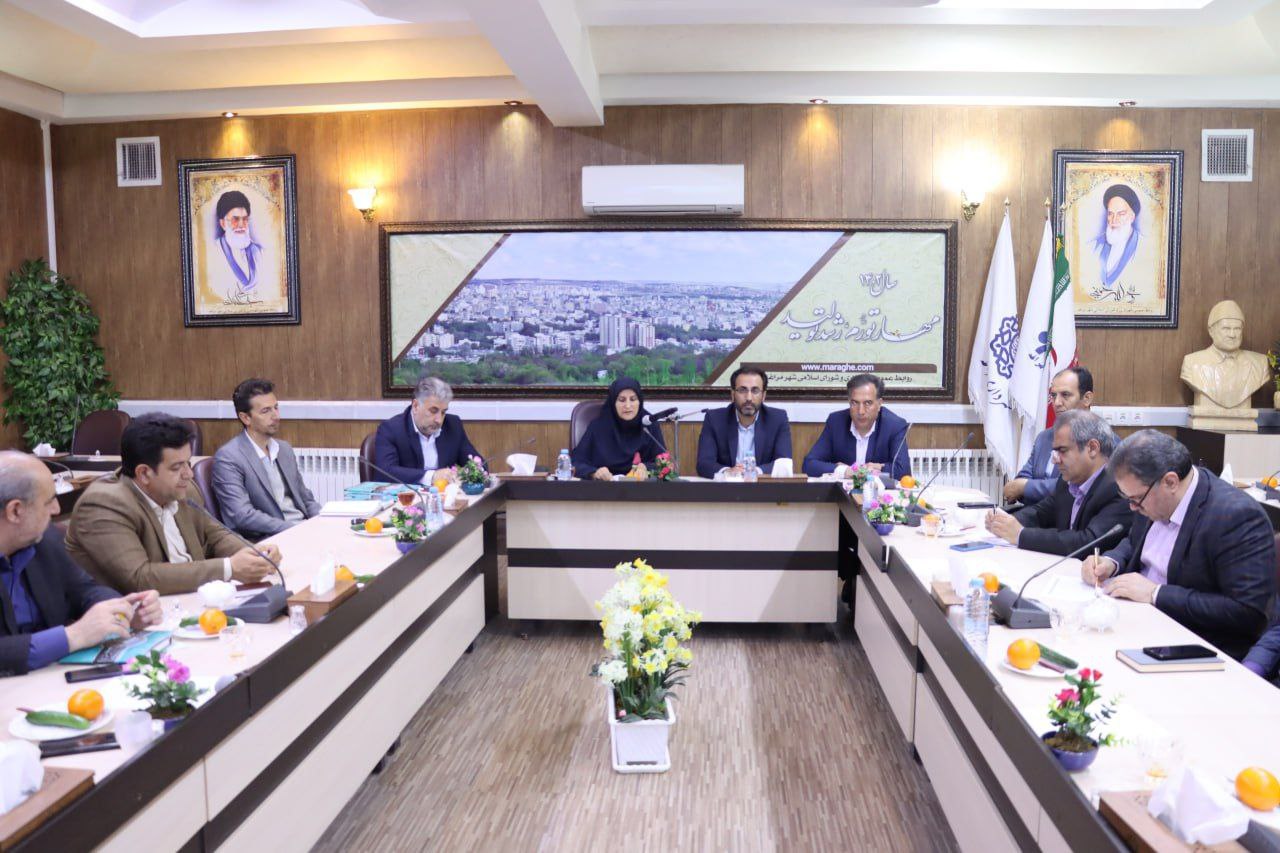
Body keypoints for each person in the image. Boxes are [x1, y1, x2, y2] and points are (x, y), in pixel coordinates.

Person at [1080, 430, 1275, 660]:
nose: (1133, 507)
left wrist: (1156, 594)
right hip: (1136, 620)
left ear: (1170, 482)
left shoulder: (1235, 516)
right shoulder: (1152, 495)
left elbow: (1247, 612)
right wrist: (1111, 562)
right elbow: (1134, 542)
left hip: (1191, 645)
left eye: (1136, 499)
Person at [66, 413, 281, 595]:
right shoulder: (104, 505)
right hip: (134, 619)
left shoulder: (184, 490)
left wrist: (256, 554)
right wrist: (229, 568)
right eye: (177, 467)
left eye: (188, 463)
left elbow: (216, 536)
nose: (189, 474)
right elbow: (140, 578)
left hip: (191, 603)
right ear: (144, 473)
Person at [0, 452, 161, 677]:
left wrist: (121, 612)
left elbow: (84, 589)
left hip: (50, 677)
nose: (57, 509)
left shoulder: (43, 540)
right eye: (49, 501)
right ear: (15, 511)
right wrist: (73, 636)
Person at [985, 410, 1131, 556]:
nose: (1055, 460)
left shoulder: (1120, 487)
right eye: (1055, 452)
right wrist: (1004, 522)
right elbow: (1040, 513)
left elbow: (1088, 542)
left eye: (1062, 451)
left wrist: (1020, 535)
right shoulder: (1069, 480)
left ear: (1092, 448)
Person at [212, 378, 322, 540]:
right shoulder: (229, 458)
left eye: (276, 408)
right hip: (269, 539)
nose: (275, 416)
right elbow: (242, 515)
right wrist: (294, 530)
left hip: (301, 530)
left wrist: (322, 521)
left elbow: (306, 498)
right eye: (266, 411)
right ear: (245, 418)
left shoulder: (284, 449)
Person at [1004, 366, 1095, 505]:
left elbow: (1074, 487)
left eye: (1065, 395)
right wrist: (1023, 488)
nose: (1056, 403)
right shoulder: (1044, 437)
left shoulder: (1099, 441)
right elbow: (1021, 479)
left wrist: (1026, 488)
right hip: (1034, 512)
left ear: (1087, 398)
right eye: (1053, 395)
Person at [374, 376, 482, 485]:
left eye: (443, 412)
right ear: (416, 406)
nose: (439, 420)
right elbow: (385, 473)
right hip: (410, 495)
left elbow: (479, 465)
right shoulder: (391, 429)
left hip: (446, 494)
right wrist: (432, 476)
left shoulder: (453, 425)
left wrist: (463, 474)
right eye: (433, 411)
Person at [802, 373, 912, 480]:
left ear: (879, 404)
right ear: (849, 402)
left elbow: (903, 472)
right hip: (842, 492)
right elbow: (809, 464)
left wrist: (878, 468)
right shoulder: (836, 422)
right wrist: (844, 471)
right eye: (855, 403)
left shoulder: (894, 426)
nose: (861, 411)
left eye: (868, 403)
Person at [696, 367, 792, 478]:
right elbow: (704, 463)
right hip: (727, 486)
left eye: (755, 391)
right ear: (732, 394)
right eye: (742, 390)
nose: (749, 398)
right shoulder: (714, 419)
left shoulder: (777, 419)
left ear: (763, 396)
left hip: (762, 486)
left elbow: (784, 463)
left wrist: (755, 472)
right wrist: (728, 472)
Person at [1180, 299, 1271, 412]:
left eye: (1237, 329)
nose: (1232, 335)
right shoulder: (1192, 363)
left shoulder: (1260, 363)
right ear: (1211, 331)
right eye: (1226, 329)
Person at [571, 377, 666, 480]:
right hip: (604, 486)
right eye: (622, 400)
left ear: (640, 401)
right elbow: (576, 462)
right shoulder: (598, 427)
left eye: (633, 399)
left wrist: (646, 468)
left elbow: (664, 463)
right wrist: (594, 472)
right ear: (613, 402)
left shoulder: (649, 425)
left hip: (640, 487)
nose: (628, 406)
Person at [1091, 184, 1142, 301]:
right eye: (1110, 214)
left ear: (1132, 217)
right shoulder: (1093, 246)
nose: (1114, 220)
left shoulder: (1145, 247)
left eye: (1121, 214)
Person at [214, 190, 264, 302]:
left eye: (245, 219)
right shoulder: (213, 252)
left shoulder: (259, 252)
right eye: (235, 219)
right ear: (223, 224)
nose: (241, 225)